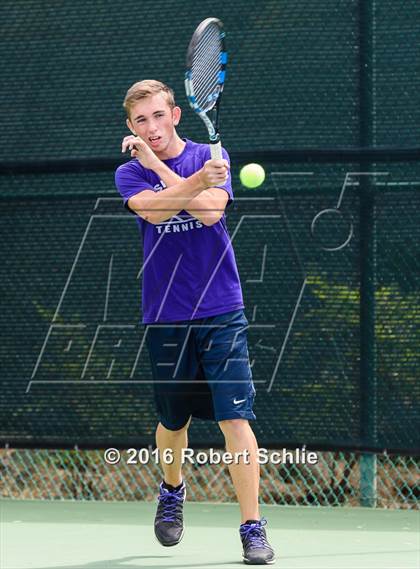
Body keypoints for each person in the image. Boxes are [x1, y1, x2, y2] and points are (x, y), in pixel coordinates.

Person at [115, 79, 275, 565]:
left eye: (158, 116)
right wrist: (175, 178)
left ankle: (252, 527)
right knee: (173, 419)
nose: (151, 127)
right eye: (141, 121)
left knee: (235, 418)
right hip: (164, 314)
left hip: (221, 309)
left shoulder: (211, 155)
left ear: (176, 114)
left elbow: (208, 213)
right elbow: (158, 210)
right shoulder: (128, 174)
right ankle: (172, 489)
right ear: (131, 127)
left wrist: (165, 169)